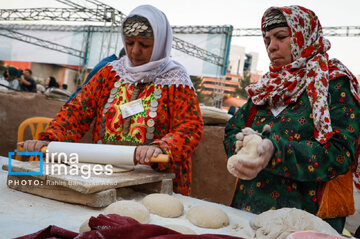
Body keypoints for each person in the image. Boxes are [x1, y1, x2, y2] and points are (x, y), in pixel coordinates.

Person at [21, 5, 204, 196]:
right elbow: (77, 111)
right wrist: (49, 138)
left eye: (144, 45)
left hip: (156, 181)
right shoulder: (110, 73)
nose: (134, 51)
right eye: (130, 43)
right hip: (105, 175)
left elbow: (190, 126)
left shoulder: (175, 80)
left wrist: (161, 147)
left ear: (160, 43)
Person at [223, 5, 360, 233]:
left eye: (281, 37)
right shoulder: (267, 87)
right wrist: (240, 149)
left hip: (304, 221)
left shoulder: (333, 85)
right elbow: (232, 129)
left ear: (303, 36)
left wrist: (275, 152)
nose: (271, 46)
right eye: (267, 39)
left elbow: (339, 152)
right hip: (249, 213)